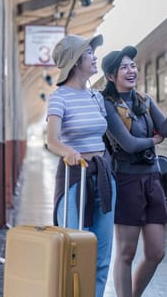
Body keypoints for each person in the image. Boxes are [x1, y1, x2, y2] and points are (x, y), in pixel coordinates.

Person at [100, 45, 167, 297]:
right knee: (126, 252)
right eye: (123, 67)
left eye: (132, 65)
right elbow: (129, 144)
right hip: (126, 181)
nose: (131, 70)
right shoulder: (108, 105)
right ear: (111, 76)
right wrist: (154, 142)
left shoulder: (144, 100)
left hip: (151, 180)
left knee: (156, 252)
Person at [46, 34, 116, 297]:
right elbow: (52, 140)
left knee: (102, 249)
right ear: (76, 62)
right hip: (74, 176)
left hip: (103, 175)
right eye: (89, 52)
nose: (95, 56)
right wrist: (69, 152)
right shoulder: (59, 98)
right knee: (74, 249)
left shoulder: (96, 97)